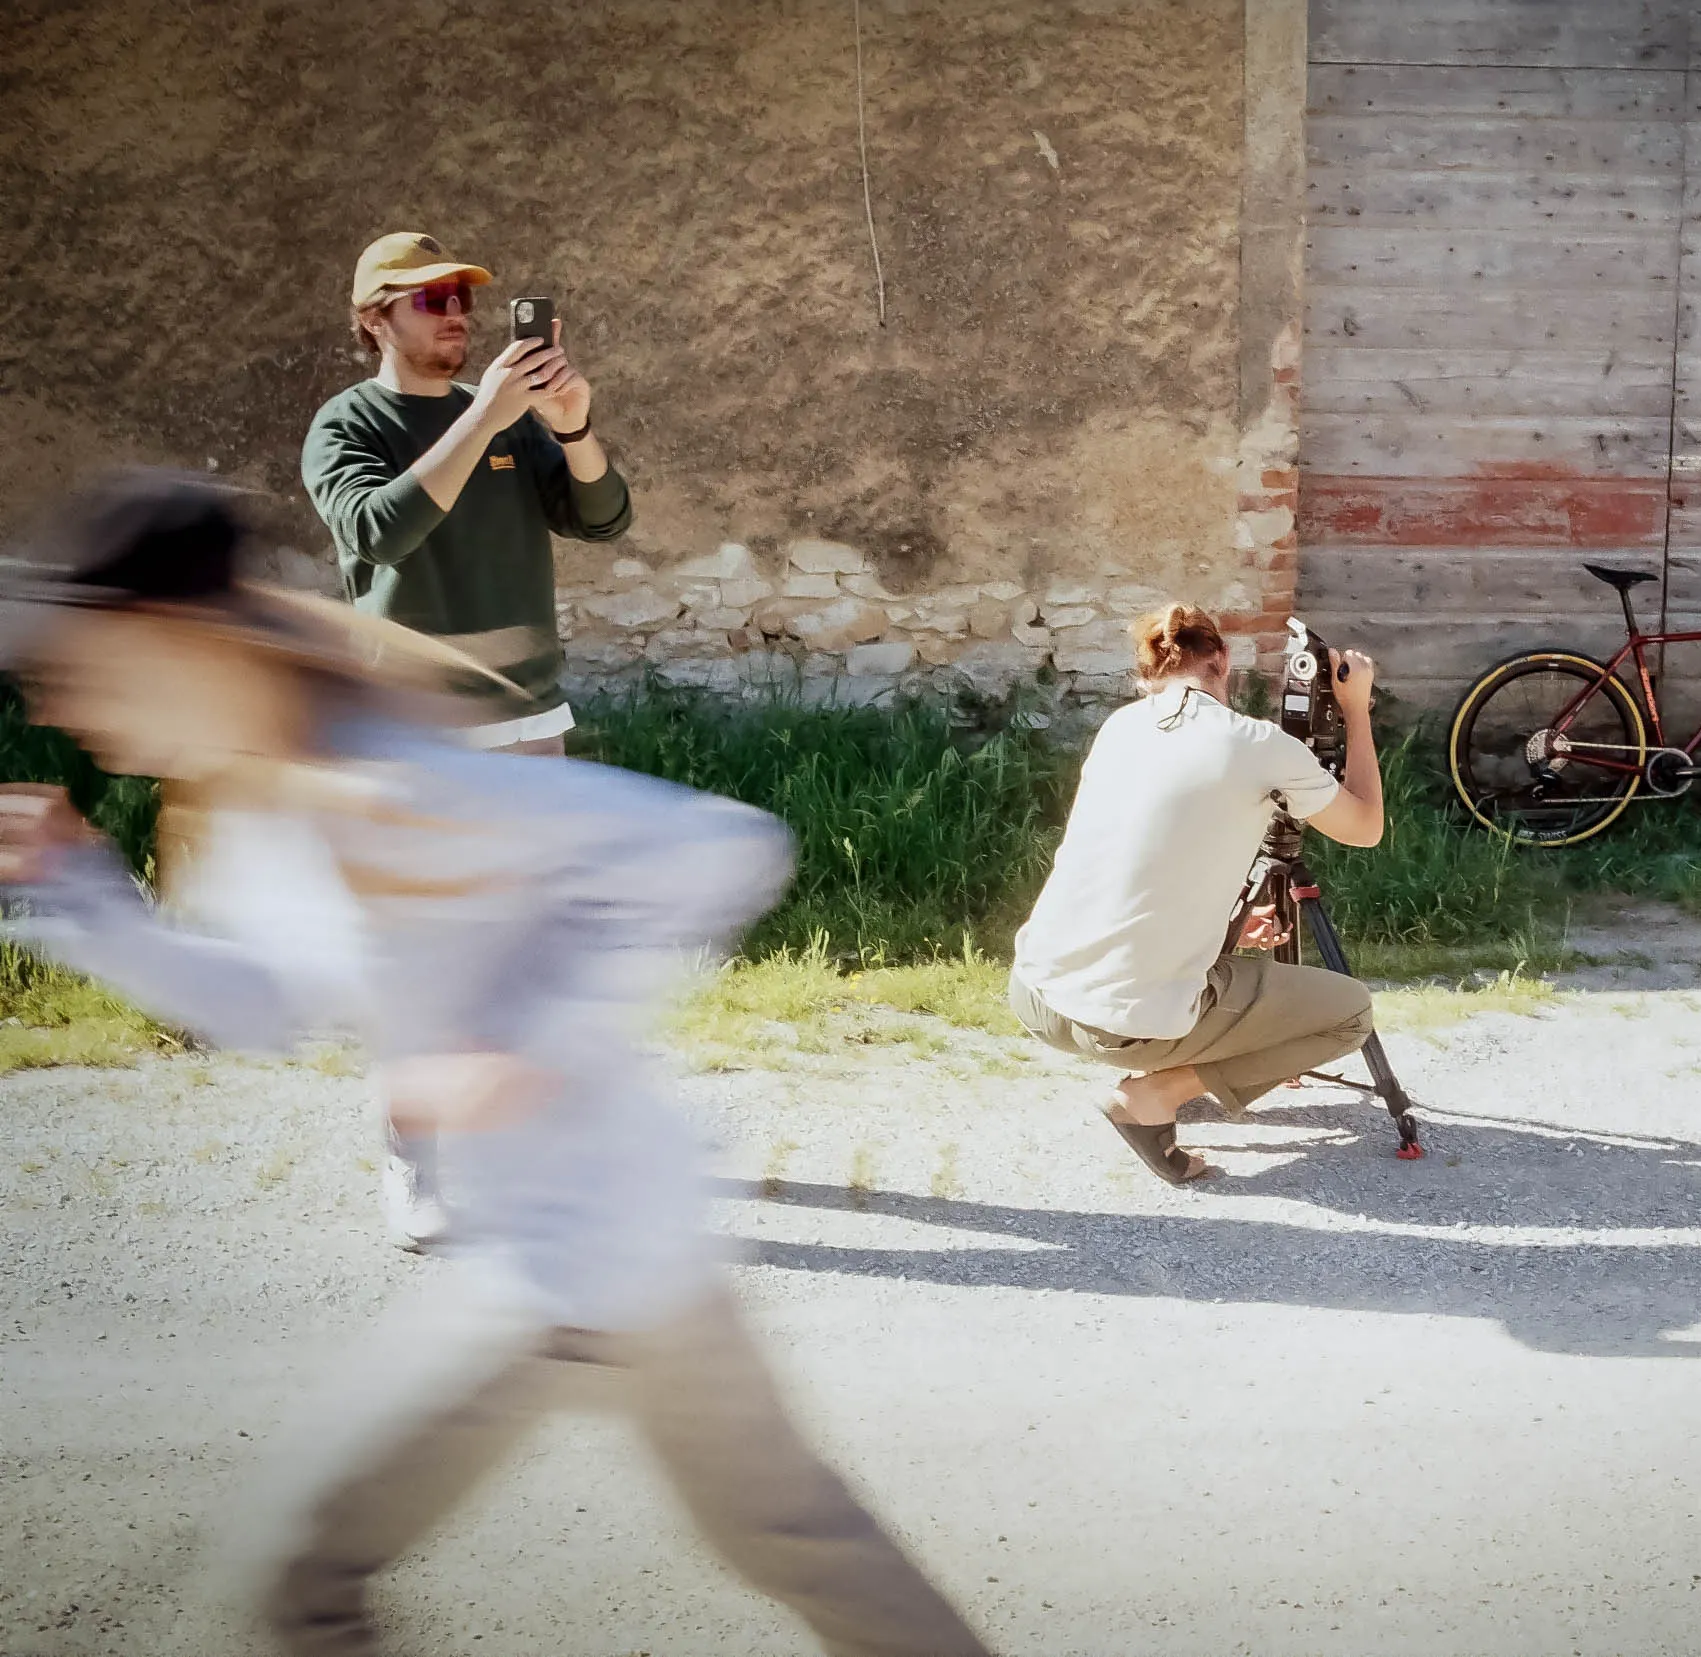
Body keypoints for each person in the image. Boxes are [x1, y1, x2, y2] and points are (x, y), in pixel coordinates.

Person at [0, 474, 989, 1657]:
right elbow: (261, 1006)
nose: (57, 698)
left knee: (291, 1569)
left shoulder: (396, 782)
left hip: (568, 1257)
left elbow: (719, 846)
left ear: (179, 641)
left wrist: (523, 1047)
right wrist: (79, 897)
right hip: (610, 1250)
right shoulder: (263, 801)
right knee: (793, 1536)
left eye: (79, 661)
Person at [302, 231, 634, 1246]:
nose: (456, 312)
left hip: (529, 722)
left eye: (462, 297)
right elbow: (377, 532)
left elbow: (603, 518)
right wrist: (489, 411)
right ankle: (415, 1162)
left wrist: (572, 427)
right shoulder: (346, 423)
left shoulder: (511, 419)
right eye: (431, 298)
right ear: (374, 320)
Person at [1007, 604, 1386, 1184]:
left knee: (1215, 975)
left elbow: (1156, 854)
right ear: (1224, 660)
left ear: (1146, 673)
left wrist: (1216, 923)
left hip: (1035, 995)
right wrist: (1357, 711)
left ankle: (1177, 1065)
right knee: (1348, 1014)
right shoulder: (1258, 744)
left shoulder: (1121, 727)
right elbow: (1365, 828)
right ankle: (1155, 1095)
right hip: (1120, 1023)